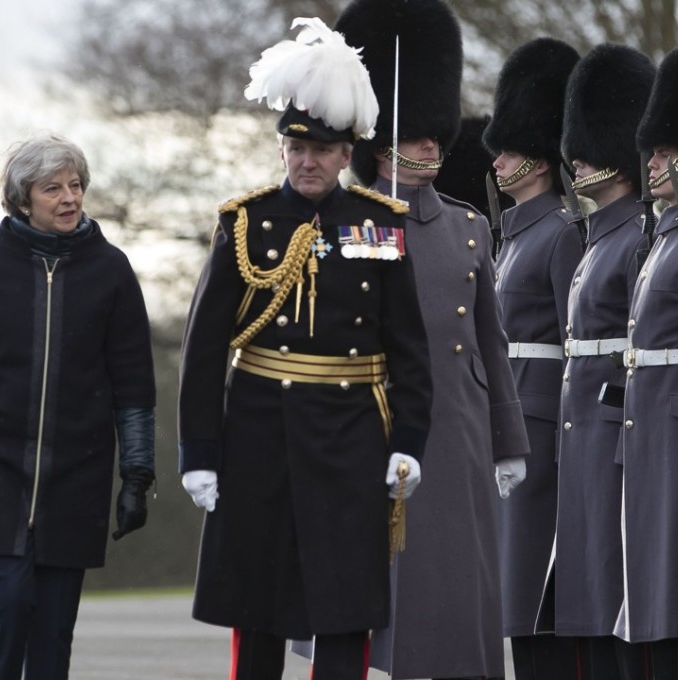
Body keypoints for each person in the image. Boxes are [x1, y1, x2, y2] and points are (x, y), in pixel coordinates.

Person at [177, 17, 432, 680]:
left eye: (322, 149)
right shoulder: (245, 222)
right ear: (282, 148)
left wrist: (409, 440)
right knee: (258, 605)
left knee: (345, 607)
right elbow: (204, 349)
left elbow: (408, 349)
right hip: (258, 433)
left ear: (347, 154)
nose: (307, 161)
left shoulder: (379, 225)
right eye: (296, 147)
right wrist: (199, 452)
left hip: (351, 438)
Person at [335, 1, 531, 678]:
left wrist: (509, 440)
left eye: (433, 136)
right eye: (415, 136)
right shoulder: (358, 222)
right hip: (387, 426)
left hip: (463, 429)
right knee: (393, 596)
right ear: (384, 138)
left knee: (462, 590)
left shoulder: (470, 225)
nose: (430, 147)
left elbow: (490, 344)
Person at [0, 131, 156, 680]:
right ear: (22, 198)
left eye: (76, 185)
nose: (69, 197)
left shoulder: (112, 270)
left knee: (53, 628)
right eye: (52, 187)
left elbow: (134, 386)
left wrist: (137, 475)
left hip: (78, 470)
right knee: (6, 601)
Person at [544, 43, 656, 680]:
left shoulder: (636, 233)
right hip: (580, 426)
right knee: (585, 587)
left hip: (613, 428)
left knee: (614, 588)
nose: (576, 157)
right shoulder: (598, 233)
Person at [482, 36, 583, 679]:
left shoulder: (561, 234)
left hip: (541, 422)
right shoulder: (511, 236)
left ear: (540, 162)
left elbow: (574, 341)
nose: (498, 160)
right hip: (507, 415)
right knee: (510, 589)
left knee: (533, 583)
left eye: (512, 151)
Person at [613, 43, 678, 680]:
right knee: (652, 587)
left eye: (664, 154)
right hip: (651, 426)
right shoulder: (669, 229)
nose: (651, 164)